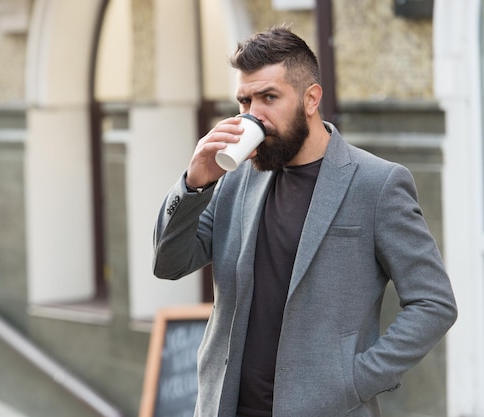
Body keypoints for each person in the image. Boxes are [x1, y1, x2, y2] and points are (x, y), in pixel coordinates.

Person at [152, 25, 457, 417]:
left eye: (269, 97)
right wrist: (194, 184)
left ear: (311, 99)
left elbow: (433, 302)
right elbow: (169, 264)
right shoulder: (233, 178)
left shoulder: (377, 184)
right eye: (244, 101)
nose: (252, 115)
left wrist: (356, 380)